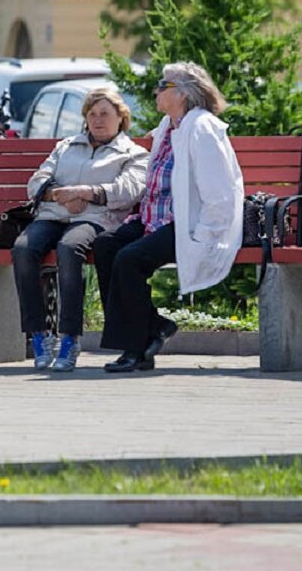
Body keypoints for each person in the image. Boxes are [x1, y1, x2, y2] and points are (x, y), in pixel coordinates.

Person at [94, 62, 244, 373]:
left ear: (184, 94)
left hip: (185, 225)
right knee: (105, 246)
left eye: (164, 85)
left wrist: (203, 235)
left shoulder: (202, 129)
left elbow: (221, 193)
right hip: (153, 221)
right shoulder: (169, 127)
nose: (156, 90)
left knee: (129, 260)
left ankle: (136, 349)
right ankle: (155, 326)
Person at [15, 87, 148, 372]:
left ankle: (69, 338)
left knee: (69, 248)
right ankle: (38, 334)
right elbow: (36, 181)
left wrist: (86, 193)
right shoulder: (66, 146)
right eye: (92, 114)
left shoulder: (133, 154)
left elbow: (129, 191)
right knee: (23, 249)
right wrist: (58, 195)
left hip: (95, 218)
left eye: (104, 114)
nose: (98, 120)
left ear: (120, 118)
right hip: (52, 213)